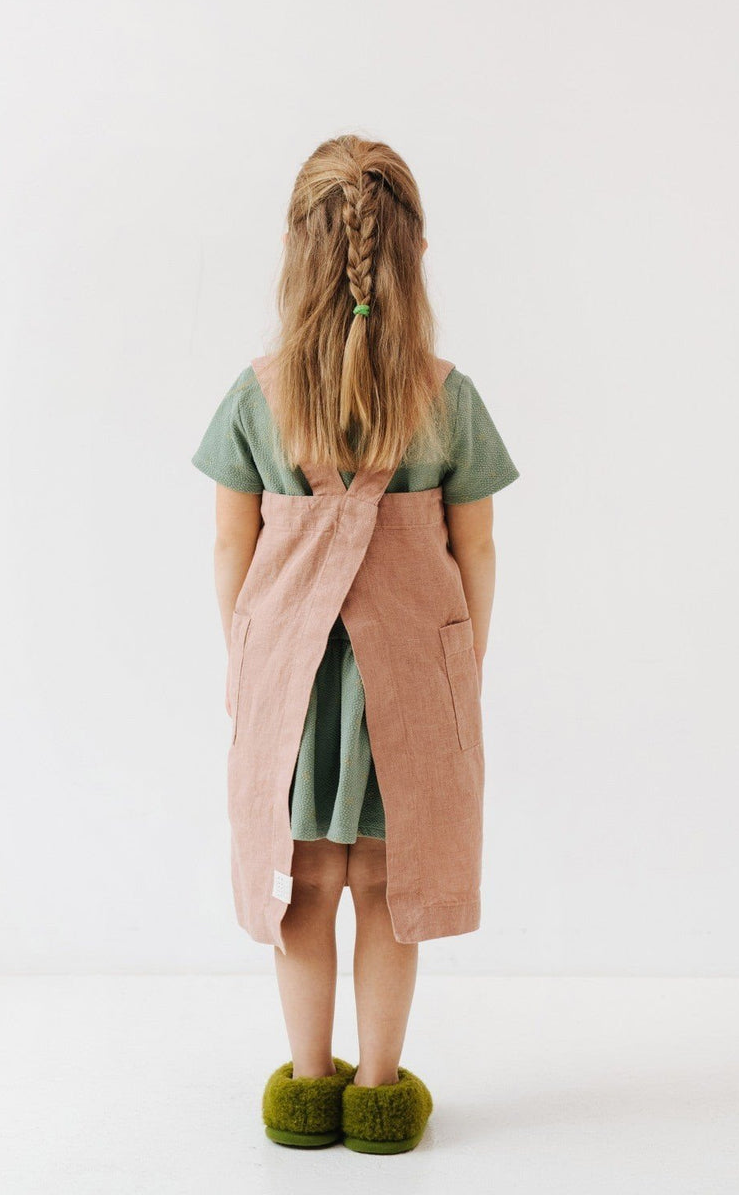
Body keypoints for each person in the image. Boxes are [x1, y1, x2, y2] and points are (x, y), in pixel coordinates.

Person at [191, 134, 519, 1154]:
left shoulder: (259, 394)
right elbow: (477, 544)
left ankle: (307, 1084)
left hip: (294, 683)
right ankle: (380, 1096)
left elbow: (230, 539)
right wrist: (462, 667)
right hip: (404, 684)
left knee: (305, 884)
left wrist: (250, 660)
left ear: (299, 252)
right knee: (389, 881)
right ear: (410, 253)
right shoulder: (445, 395)